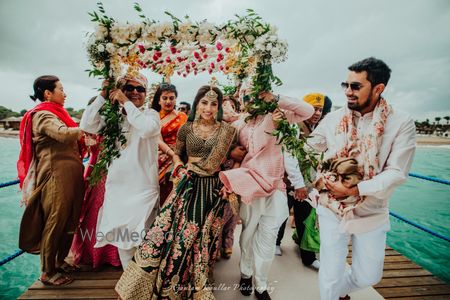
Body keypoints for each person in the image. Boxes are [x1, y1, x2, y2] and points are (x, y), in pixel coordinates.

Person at [115, 84, 238, 300]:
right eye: (204, 103)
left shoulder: (228, 131)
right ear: (197, 104)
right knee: (182, 238)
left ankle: (199, 284)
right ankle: (176, 287)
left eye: (213, 104)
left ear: (218, 107)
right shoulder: (186, 129)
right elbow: (177, 154)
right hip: (188, 187)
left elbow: (233, 159)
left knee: (205, 238)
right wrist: (180, 167)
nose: (208, 108)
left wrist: (229, 184)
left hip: (213, 190)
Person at [309, 57, 416, 300]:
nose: (348, 92)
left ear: (378, 89)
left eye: (356, 86)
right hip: (330, 205)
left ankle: (338, 292)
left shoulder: (401, 122)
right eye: (345, 85)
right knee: (330, 271)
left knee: (369, 276)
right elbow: (308, 148)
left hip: (372, 207)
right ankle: (331, 294)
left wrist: (355, 190)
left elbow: (397, 172)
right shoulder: (334, 118)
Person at [219, 86, 314, 300]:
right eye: (246, 96)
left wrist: (276, 98)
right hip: (250, 185)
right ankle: (245, 274)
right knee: (248, 235)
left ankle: (261, 285)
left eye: (255, 95)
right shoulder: (239, 123)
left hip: (275, 187)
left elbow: (307, 110)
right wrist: (231, 151)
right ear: (241, 100)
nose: (250, 100)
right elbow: (221, 138)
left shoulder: (277, 115)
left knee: (268, 238)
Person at [79, 73, 160, 269]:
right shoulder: (112, 118)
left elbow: (147, 129)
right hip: (118, 189)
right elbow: (87, 124)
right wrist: (103, 95)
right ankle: (129, 285)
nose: (134, 92)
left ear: (146, 93)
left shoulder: (150, 115)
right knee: (123, 241)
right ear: (120, 91)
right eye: (129, 88)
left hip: (143, 189)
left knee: (142, 239)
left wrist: (126, 103)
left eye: (139, 89)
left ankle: (141, 284)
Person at [17, 75, 85, 285]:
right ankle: (47, 271)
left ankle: (60, 260)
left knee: (70, 220)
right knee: (55, 220)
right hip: (56, 176)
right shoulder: (43, 115)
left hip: (69, 175)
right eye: (61, 89)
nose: (65, 94)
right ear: (48, 93)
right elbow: (63, 135)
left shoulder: (57, 113)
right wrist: (88, 127)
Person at [276, 93, 330, 270]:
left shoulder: (322, 128)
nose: (317, 113)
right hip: (287, 179)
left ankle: (308, 255)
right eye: (314, 108)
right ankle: (276, 243)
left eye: (320, 109)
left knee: (306, 218)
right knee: (282, 214)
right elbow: (287, 155)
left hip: (309, 182)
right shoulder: (293, 125)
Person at [151, 83, 188, 204]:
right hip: (164, 156)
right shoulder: (154, 117)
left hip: (184, 155)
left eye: (171, 98)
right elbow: (158, 140)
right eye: (165, 98)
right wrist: (173, 155)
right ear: (159, 100)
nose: (168, 101)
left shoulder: (183, 116)